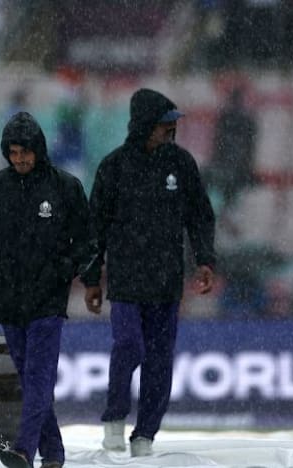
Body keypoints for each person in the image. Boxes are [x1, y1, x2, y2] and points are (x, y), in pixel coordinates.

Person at [81, 88, 216, 457]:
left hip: (167, 282)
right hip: (125, 282)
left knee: (160, 360)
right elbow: (95, 228)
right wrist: (92, 278)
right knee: (129, 346)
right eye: (164, 125)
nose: (171, 131)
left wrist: (205, 260)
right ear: (144, 126)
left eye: (173, 125)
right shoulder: (114, 166)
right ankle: (114, 419)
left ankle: (145, 435)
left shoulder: (181, 165)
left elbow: (200, 216)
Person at [0, 111, 96, 468]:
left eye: (25, 152)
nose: (20, 159)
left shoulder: (64, 187)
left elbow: (86, 240)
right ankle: (53, 453)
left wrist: (64, 271)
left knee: (39, 376)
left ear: (39, 150)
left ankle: (24, 448)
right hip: (8, 298)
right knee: (30, 379)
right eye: (13, 152)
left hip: (47, 300)